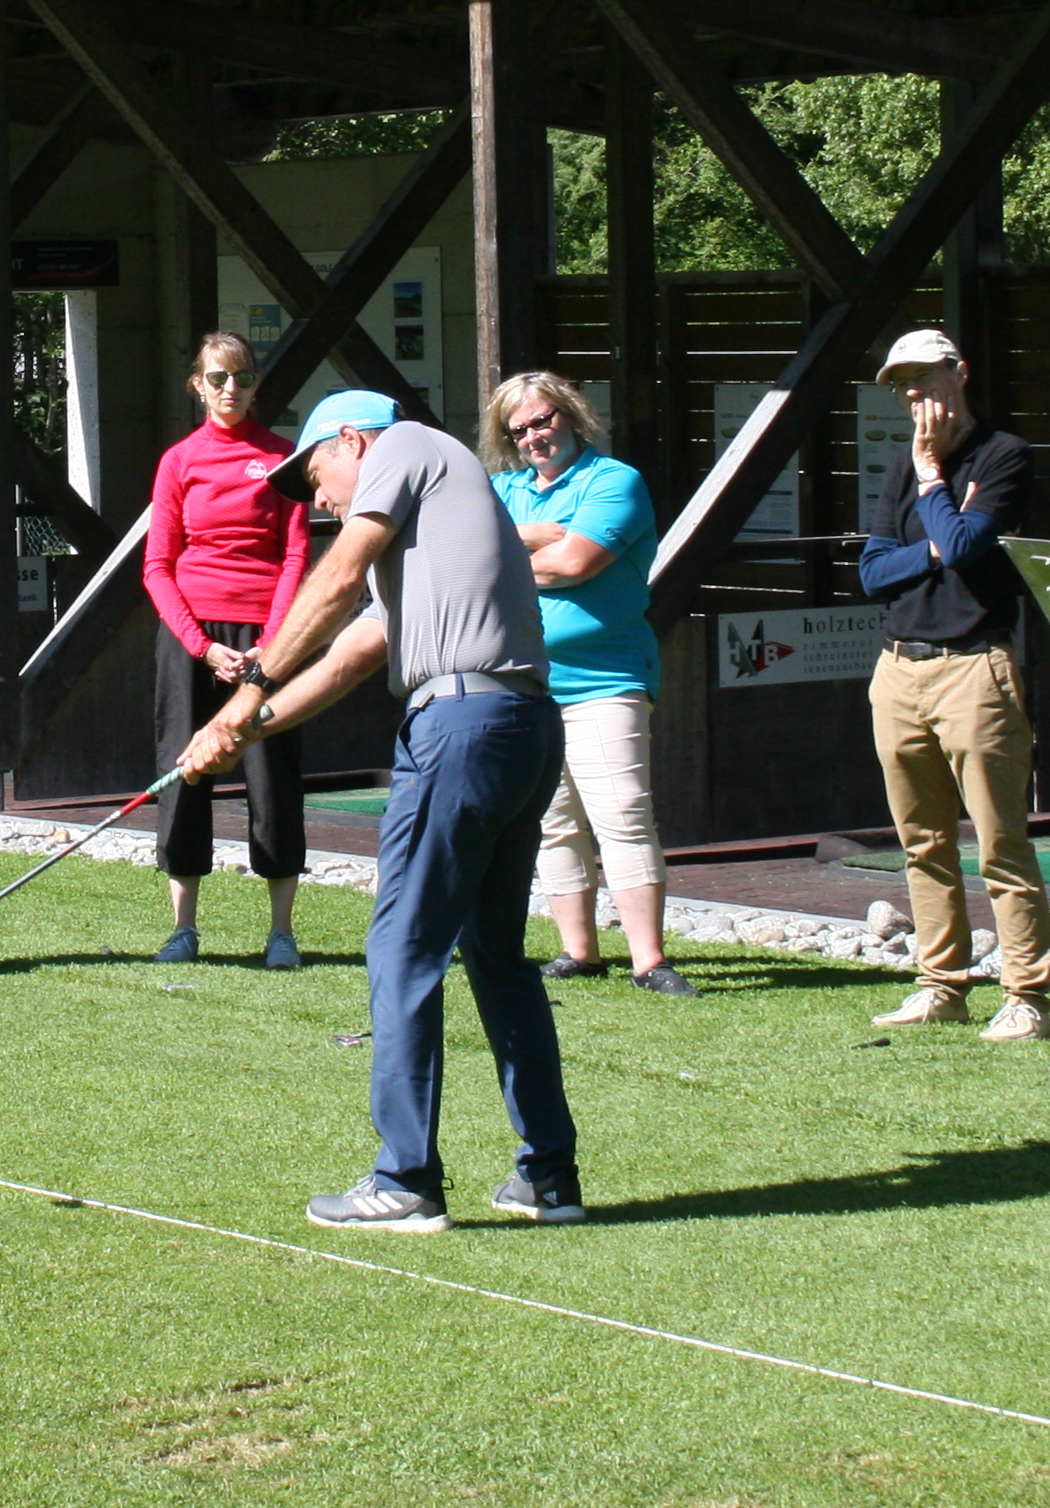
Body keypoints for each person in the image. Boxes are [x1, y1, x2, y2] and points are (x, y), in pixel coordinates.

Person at [183, 389, 582, 1233]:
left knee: (402, 947)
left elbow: (331, 582)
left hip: (463, 725)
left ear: (353, 440)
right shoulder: (432, 529)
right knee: (498, 957)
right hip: (519, 724)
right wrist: (238, 730)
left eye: (317, 473)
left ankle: (404, 1180)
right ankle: (548, 1176)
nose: (319, 498)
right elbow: (351, 653)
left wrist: (242, 691)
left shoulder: (404, 448)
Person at [853, 328, 1050, 1044]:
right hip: (898, 669)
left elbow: (970, 547)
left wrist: (936, 480)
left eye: (923, 379)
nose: (913, 395)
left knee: (1000, 842)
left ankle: (1026, 994)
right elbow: (872, 573)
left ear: (959, 374)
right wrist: (935, 535)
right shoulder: (899, 468)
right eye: (901, 384)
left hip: (976, 668)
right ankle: (942, 984)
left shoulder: (1004, 455)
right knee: (922, 841)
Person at [480, 371, 690, 997]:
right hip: (525, 681)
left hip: (607, 679)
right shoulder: (502, 489)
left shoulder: (615, 481)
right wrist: (537, 537)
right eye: (519, 430)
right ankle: (580, 952)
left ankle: (649, 960)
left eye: (543, 421)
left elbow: (574, 564)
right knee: (552, 820)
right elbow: (466, 553)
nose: (534, 438)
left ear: (571, 416)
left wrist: (514, 553)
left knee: (622, 815)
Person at [140, 331, 312, 968]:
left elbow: (296, 553)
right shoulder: (179, 460)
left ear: (256, 382)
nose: (230, 389)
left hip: (268, 634)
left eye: (241, 377)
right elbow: (158, 565)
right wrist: (202, 646)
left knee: (272, 776)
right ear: (198, 385)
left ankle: (282, 933)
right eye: (217, 378)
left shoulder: (283, 456)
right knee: (186, 770)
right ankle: (183, 929)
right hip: (194, 638)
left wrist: (274, 641)